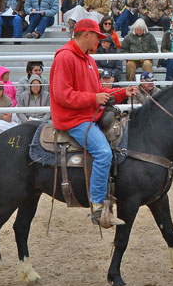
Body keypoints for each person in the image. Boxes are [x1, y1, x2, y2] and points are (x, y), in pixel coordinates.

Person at [49, 19, 136, 227]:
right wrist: (93, 99)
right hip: (74, 119)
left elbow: (99, 92)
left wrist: (123, 92)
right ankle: (97, 207)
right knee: (104, 153)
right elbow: (62, 95)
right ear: (86, 34)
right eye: (97, 36)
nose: (98, 41)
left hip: (88, 116)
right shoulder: (66, 57)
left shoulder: (88, 59)